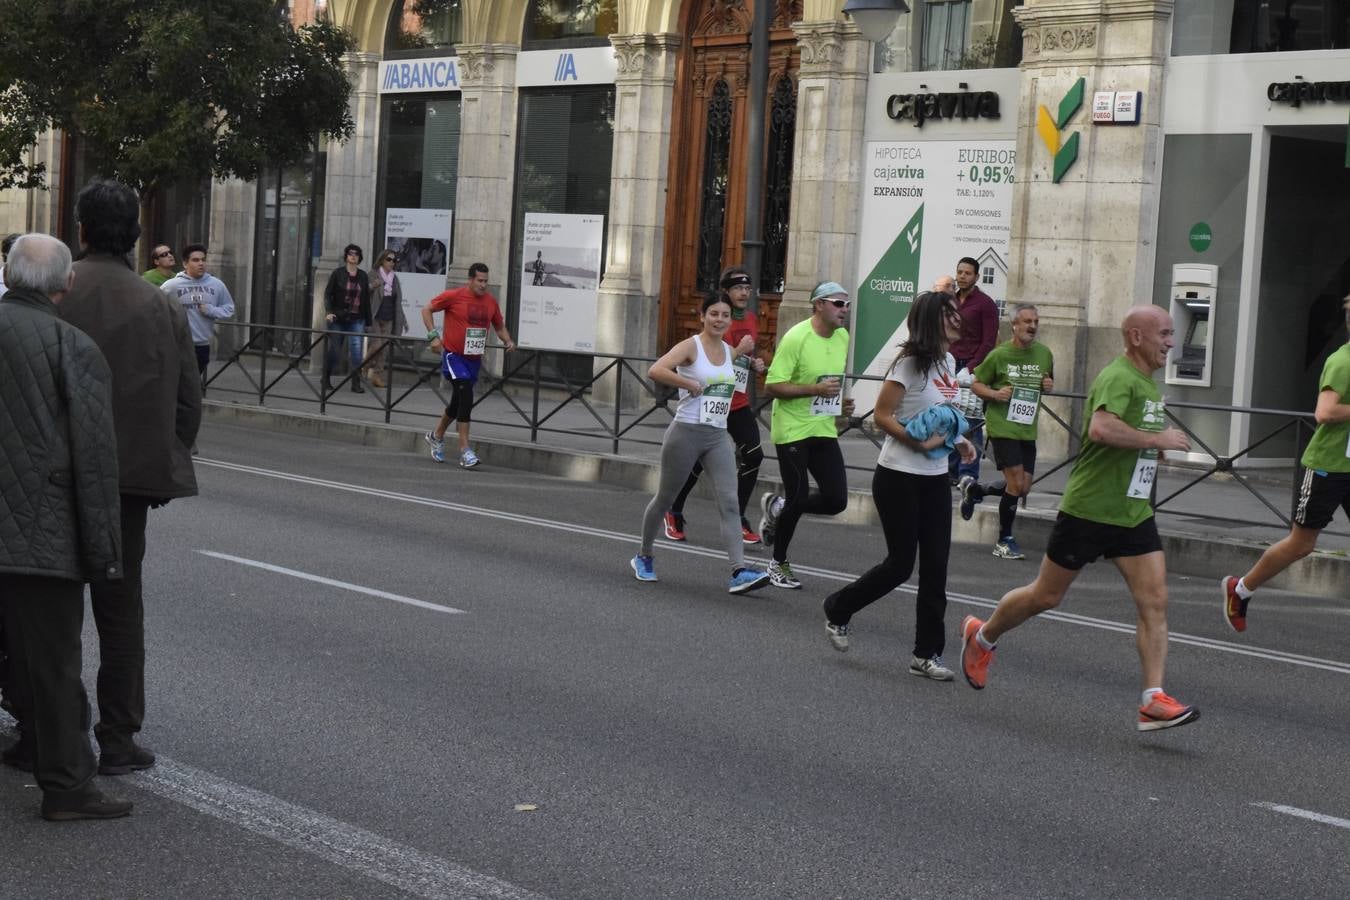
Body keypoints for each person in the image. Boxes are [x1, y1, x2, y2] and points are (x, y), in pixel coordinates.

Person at [959, 305, 1200, 732]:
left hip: (1132, 511)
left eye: (1172, 333)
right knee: (1045, 597)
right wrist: (1156, 438)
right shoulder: (1118, 377)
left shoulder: (1145, 382)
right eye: (1164, 333)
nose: (1171, 341)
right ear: (1136, 337)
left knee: (1156, 602)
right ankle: (982, 636)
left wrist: (1150, 449)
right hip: (1089, 509)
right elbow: (1101, 430)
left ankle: (1152, 700)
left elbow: (1125, 435)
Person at [46, 178, 201, 777]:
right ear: (136, 235)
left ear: (80, 231)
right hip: (127, 484)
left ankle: (46, 730)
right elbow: (188, 401)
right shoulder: (160, 304)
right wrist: (161, 460)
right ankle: (117, 737)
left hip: (52, 478)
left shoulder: (54, 296)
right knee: (119, 610)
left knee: (51, 612)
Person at [0, 233, 133, 820]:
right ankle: (68, 787)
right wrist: (105, 554)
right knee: (52, 663)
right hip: (40, 532)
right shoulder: (71, 347)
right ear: (65, 283)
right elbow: (96, 461)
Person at [821, 291, 975, 680]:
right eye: (950, 314)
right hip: (897, 476)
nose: (958, 319)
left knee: (937, 566)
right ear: (932, 321)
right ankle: (839, 607)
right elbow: (883, 417)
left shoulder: (948, 361)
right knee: (900, 565)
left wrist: (960, 439)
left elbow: (944, 413)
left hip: (935, 479)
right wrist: (916, 442)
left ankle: (926, 654)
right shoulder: (908, 365)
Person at [1222, 294, 1350, 632]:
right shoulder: (1343, 362)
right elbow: (1324, 412)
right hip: (1326, 467)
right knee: (1301, 544)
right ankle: (1241, 588)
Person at [631, 293, 771, 594]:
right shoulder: (690, 346)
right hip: (686, 432)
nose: (720, 320)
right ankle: (643, 555)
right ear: (703, 317)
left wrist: (749, 358)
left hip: (717, 435)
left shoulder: (726, 349)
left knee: (730, 503)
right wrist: (688, 384)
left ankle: (738, 571)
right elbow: (656, 370)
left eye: (724, 315)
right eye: (714, 314)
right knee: (665, 499)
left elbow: (726, 372)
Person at [757, 280, 854, 589]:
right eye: (838, 304)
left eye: (847, 304)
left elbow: (828, 384)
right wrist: (814, 389)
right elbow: (772, 386)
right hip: (792, 430)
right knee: (798, 496)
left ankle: (778, 507)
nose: (845, 310)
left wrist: (839, 407)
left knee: (837, 499)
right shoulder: (796, 337)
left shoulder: (841, 336)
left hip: (823, 426)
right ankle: (777, 562)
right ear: (819, 305)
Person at [664, 267, 767, 546]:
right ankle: (673, 510)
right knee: (696, 461)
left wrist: (755, 363)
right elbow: (712, 360)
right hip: (712, 399)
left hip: (738, 402)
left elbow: (745, 357)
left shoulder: (751, 319)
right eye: (738, 288)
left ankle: (740, 518)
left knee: (754, 456)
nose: (744, 293)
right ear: (726, 292)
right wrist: (739, 351)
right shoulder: (718, 321)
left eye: (747, 287)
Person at [960, 304, 1056, 560]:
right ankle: (1004, 540)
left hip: (1027, 428)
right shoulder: (999, 355)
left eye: (1036, 321)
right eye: (1027, 321)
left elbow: (1048, 381)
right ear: (1014, 325)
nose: (1032, 326)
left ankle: (975, 490)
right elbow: (976, 384)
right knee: (1014, 483)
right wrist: (995, 394)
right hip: (1002, 425)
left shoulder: (1044, 354)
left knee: (1024, 487)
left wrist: (1048, 385)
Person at [422, 263, 515, 468]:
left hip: (474, 359)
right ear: (470, 280)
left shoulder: (490, 302)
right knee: (465, 392)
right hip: (454, 356)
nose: (483, 285)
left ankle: (436, 436)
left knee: (458, 403)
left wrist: (508, 340)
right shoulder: (454, 296)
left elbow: (498, 325)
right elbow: (427, 309)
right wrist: (433, 337)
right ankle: (465, 450)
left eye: (486, 281)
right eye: (480, 281)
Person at [949, 256, 1000, 485]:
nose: (962, 276)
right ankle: (948, 471)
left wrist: (971, 368)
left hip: (972, 366)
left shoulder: (986, 303)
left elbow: (989, 341)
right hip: (948, 364)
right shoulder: (949, 300)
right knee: (948, 417)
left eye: (967, 273)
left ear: (977, 277)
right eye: (960, 272)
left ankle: (968, 473)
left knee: (970, 419)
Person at [161, 243, 235, 388]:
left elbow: (229, 309)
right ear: (185, 263)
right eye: (195, 260)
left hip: (201, 346)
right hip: (178, 345)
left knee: (191, 385)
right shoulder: (172, 285)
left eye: (203, 260)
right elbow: (155, 308)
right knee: (180, 385)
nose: (201, 263)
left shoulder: (216, 285)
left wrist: (211, 310)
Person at [321, 243, 373, 394]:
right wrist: (329, 311)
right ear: (346, 256)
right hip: (338, 318)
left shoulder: (363, 275)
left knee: (356, 352)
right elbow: (327, 294)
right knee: (335, 350)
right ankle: (326, 377)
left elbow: (365, 301)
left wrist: (368, 322)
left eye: (356, 254)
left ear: (359, 257)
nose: (353, 256)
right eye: (350, 253)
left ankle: (356, 383)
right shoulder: (338, 273)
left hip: (357, 319)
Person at [364, 248, 406, 390]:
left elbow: (398, 300)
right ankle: (363, 367)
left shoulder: (395, 278)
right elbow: (363, 292)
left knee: (384, 348)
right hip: (375, 314)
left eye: (394, 260)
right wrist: (372, 286)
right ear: (382, 260)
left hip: (389, 316)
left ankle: (377, 375)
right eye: (389, 259)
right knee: (376, 345)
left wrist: (403, 319)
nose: (392, 262)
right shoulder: (373, 274)